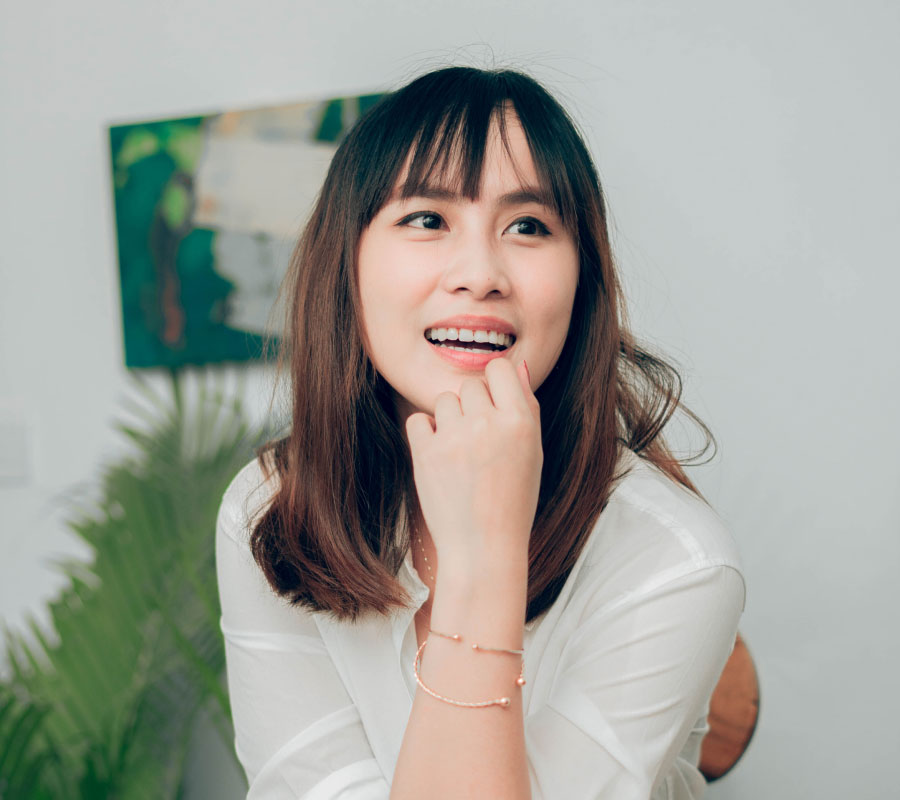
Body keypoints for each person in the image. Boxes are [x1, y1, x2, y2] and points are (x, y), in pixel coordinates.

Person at [216, 65, 746, 800]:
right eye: (427, 219)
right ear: (348, 262)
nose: (479, 273)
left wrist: (484, 559)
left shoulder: (675, 560)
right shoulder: (271, 510)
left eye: (528, 226)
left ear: (582, 279)